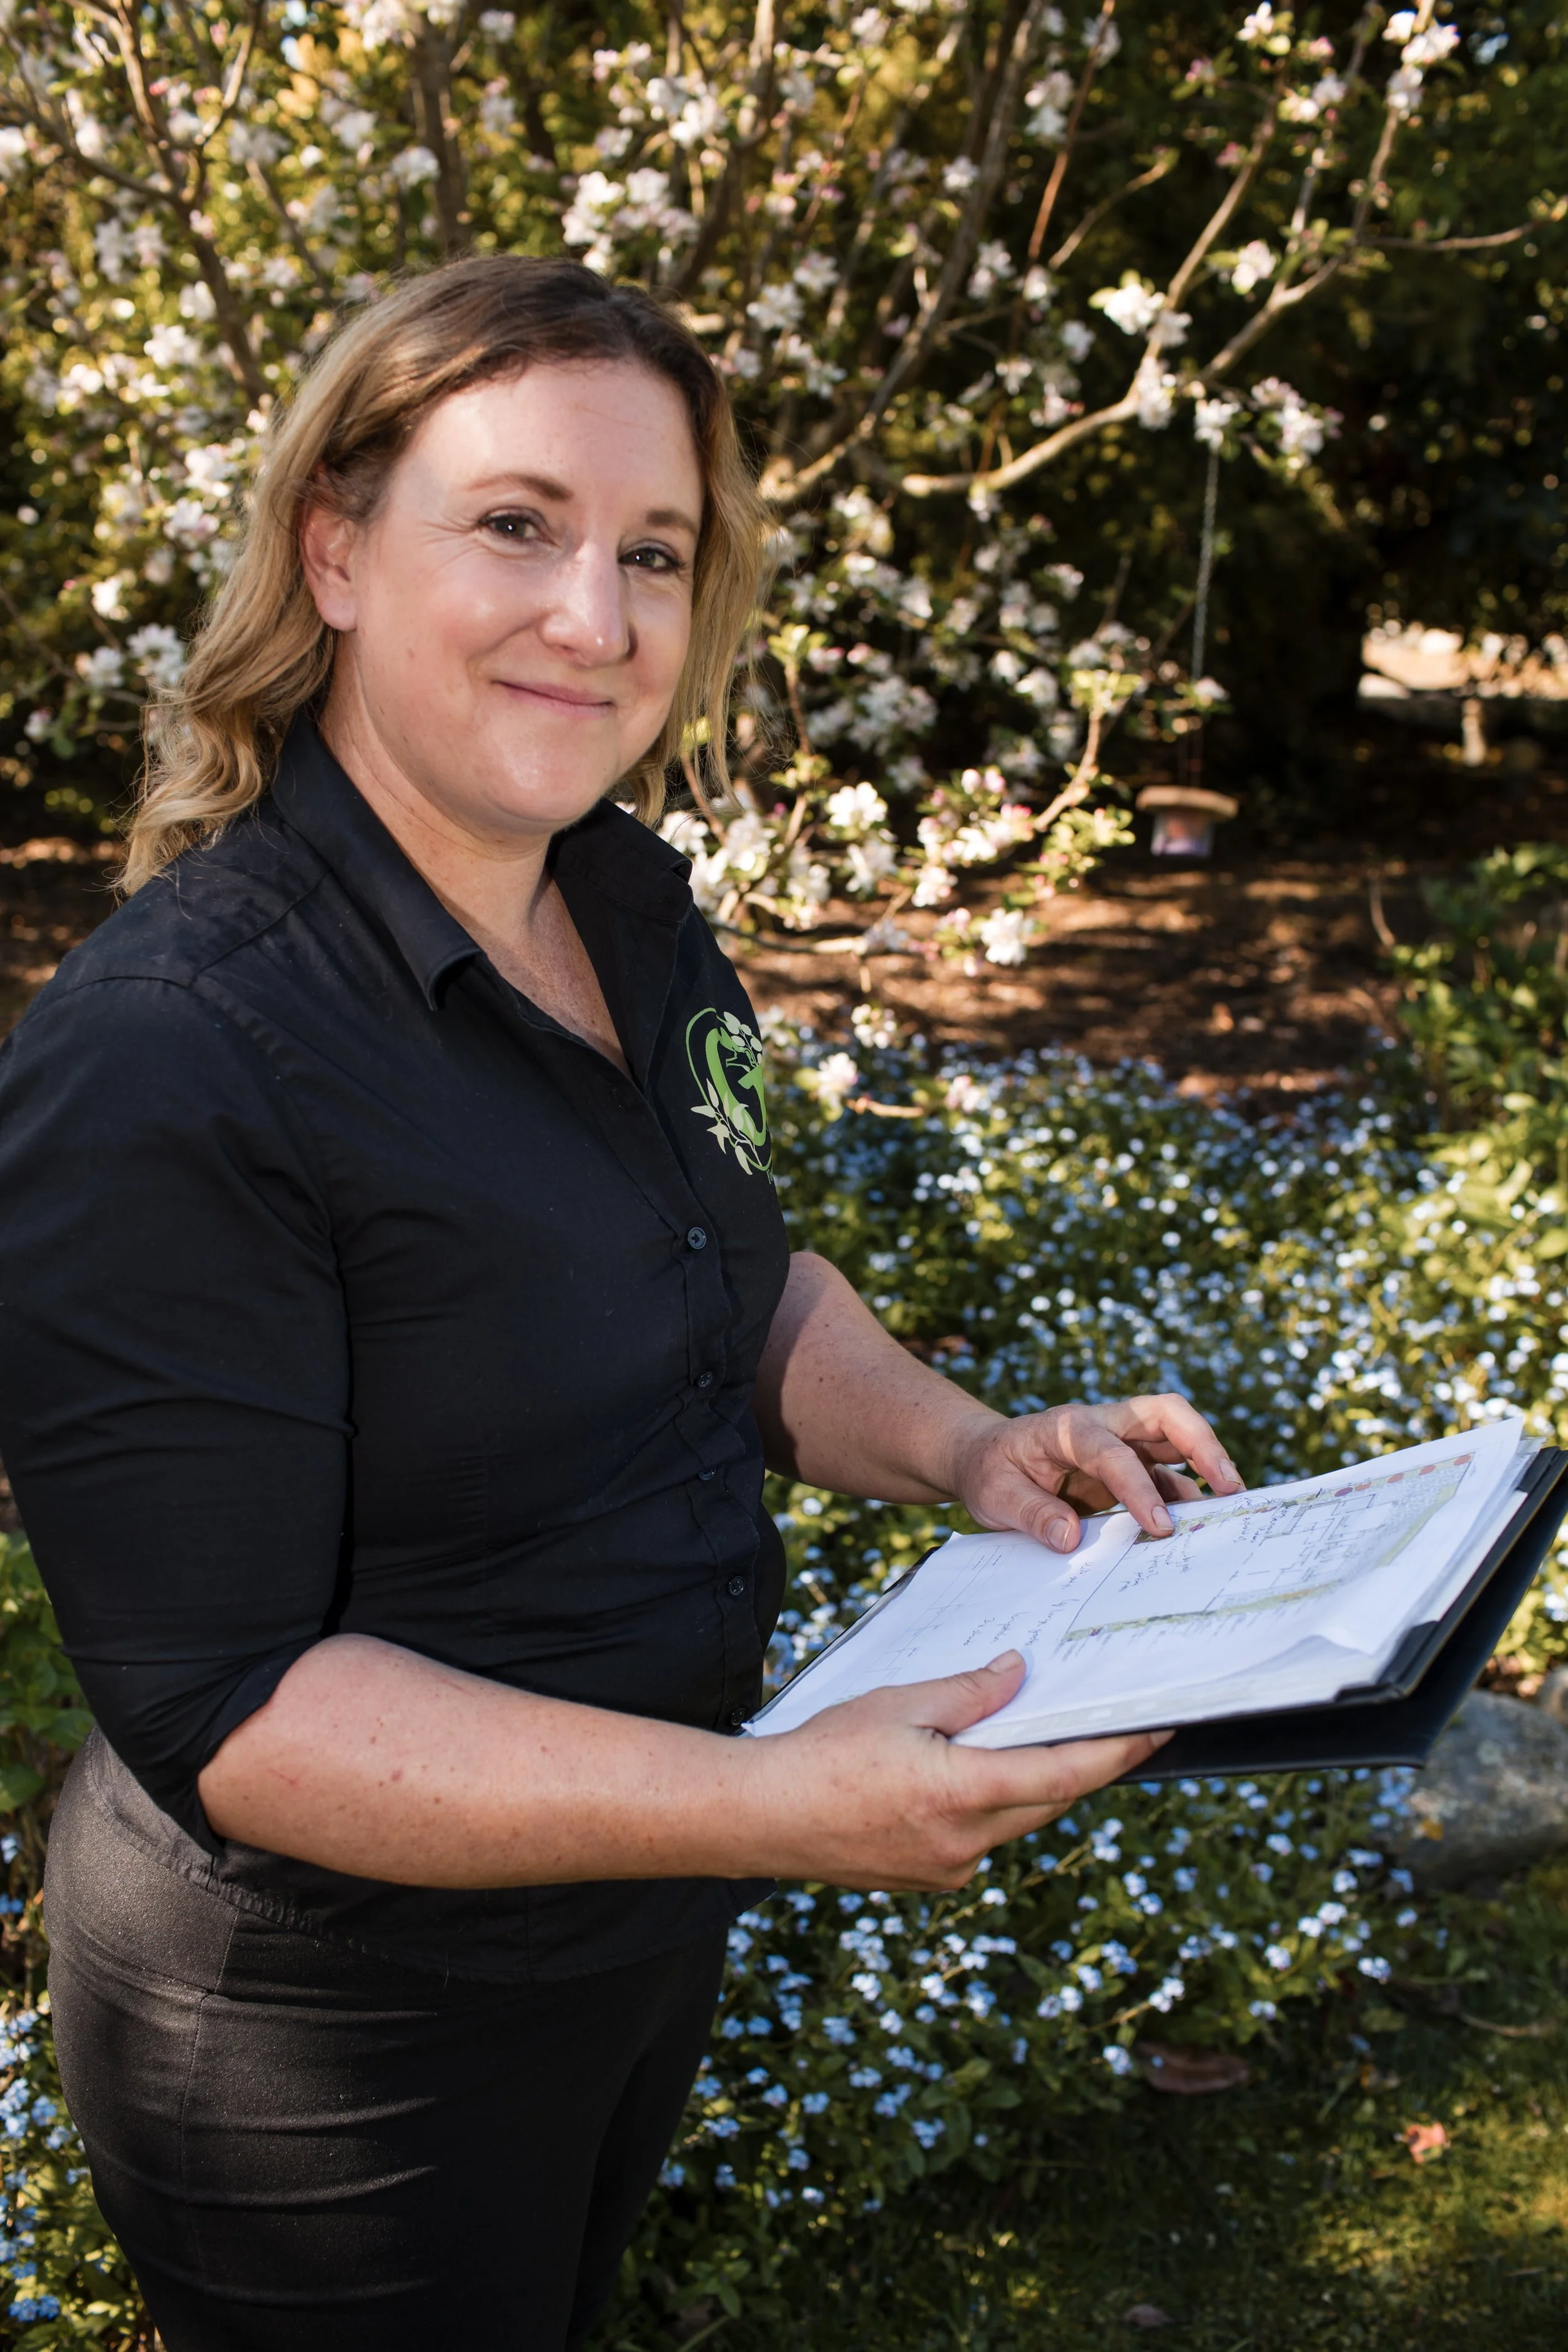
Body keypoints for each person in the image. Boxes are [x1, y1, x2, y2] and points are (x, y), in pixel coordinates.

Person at [0, 255, 1242, 2351]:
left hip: (622, 1912)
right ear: (334, 549)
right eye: (514, 524)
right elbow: (235, 1712)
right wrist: (778, 1806)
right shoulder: (165, 1056)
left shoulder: (625, 898)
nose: (596, 617)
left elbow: (733, 1274)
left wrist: (962, 1446)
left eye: (650, 551)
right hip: (331, 2037)